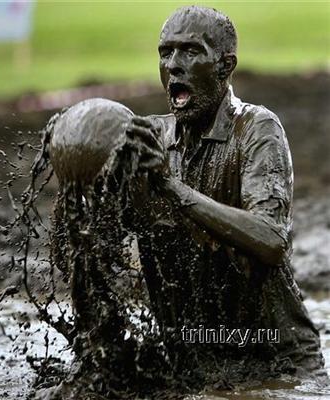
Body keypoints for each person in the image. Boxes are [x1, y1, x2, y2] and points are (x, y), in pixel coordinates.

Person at [125, 6, 328, 386]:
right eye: (165, 53)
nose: (173, 65)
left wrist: (171, 188)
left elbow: (271, 239)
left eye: (190, 51)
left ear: (225, 65)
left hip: (275, 364)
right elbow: (97, 240)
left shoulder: (256, 129)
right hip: (190, 366)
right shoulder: (149, 140)